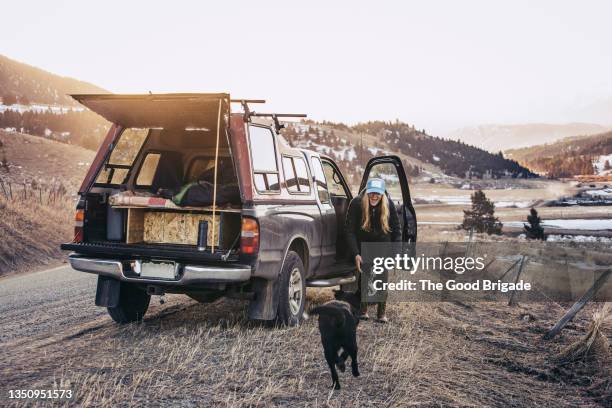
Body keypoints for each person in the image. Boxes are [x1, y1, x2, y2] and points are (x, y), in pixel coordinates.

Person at [345, 178, 401, 323]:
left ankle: (381, 314)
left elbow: (396, 229)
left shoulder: (388, 204)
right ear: (367, 193)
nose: (374, 196)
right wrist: (356, 253)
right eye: (371, 193)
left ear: (382, 194)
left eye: (378, 193)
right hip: (364, 244)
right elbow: (349, 231)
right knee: (365, 277)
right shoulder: (356, 203)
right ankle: (363, 311)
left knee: (381, 278)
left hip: (383, 244)